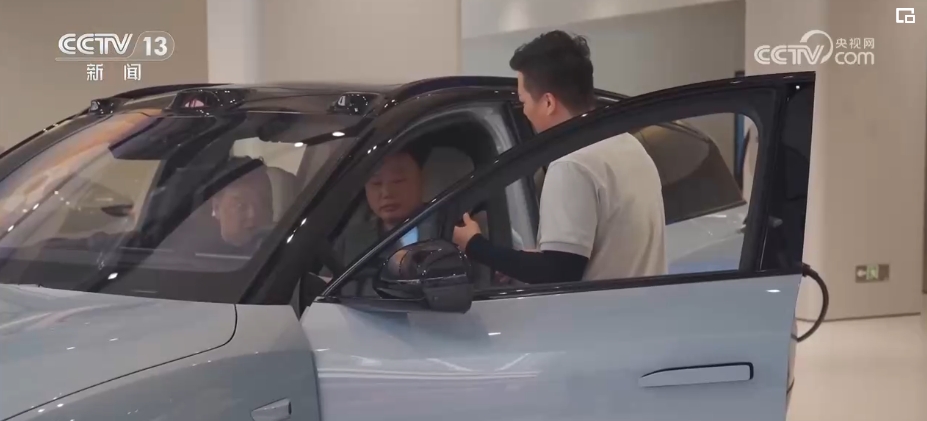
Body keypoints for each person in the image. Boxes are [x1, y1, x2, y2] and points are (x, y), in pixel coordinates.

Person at [452, 30, 667, 283]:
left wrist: (474, 244)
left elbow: (559, 272)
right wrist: (525, 260)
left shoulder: (572, 164)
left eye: (524, 102)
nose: (525, 112)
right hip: (647, 304)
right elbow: (596, 250)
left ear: (548, 103)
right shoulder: (628, 144)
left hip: (602, 309)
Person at [333, 148, 436, 264]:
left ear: (421, 180)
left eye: (398, 181)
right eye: (376, 183)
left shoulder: (448, 224)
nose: (387, 193)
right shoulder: (351, 240)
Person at [205, 157, 275, 255]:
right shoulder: (196, 255)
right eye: (241, 205)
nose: (253, 214)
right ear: (216, 208)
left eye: (263, 204)